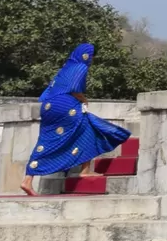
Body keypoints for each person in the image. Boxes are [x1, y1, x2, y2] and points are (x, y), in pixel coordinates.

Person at [21, 43, 131, 194]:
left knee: (47, 141)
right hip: (66, 106)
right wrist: (84, 100)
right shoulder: (80, 67)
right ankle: (85, 170)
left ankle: (27, 179)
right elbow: (74, 89)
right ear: (86, 56)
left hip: (49, 107)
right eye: (91, 56)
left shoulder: (66, 67)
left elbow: (49, 90)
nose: (91, 60)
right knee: (91, 130)